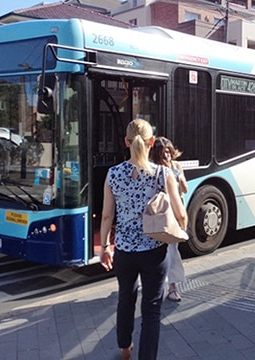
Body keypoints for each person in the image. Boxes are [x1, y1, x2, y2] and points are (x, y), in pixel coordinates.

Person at [99, 119, 188, 360]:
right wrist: (182, 228)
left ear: (126, 142)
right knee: (151, 310)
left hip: (125, 253)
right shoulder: (163, 173)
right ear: (152, 142)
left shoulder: (113, 174)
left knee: (125, 298)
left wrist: (105, 247)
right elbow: (180, 214)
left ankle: (125, 347)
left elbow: (107, 215)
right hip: (154, 251)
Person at [150, 136, 188, 302]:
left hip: (175, 211)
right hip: (161, 213)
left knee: (173, 250)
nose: (167, 156)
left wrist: (178, 178)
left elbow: (185, 189)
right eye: (163, 153)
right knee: (158, 251)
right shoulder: (154, 169)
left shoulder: (177, 166)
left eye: (168, 152)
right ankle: (157, 283)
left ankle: (172, 287)